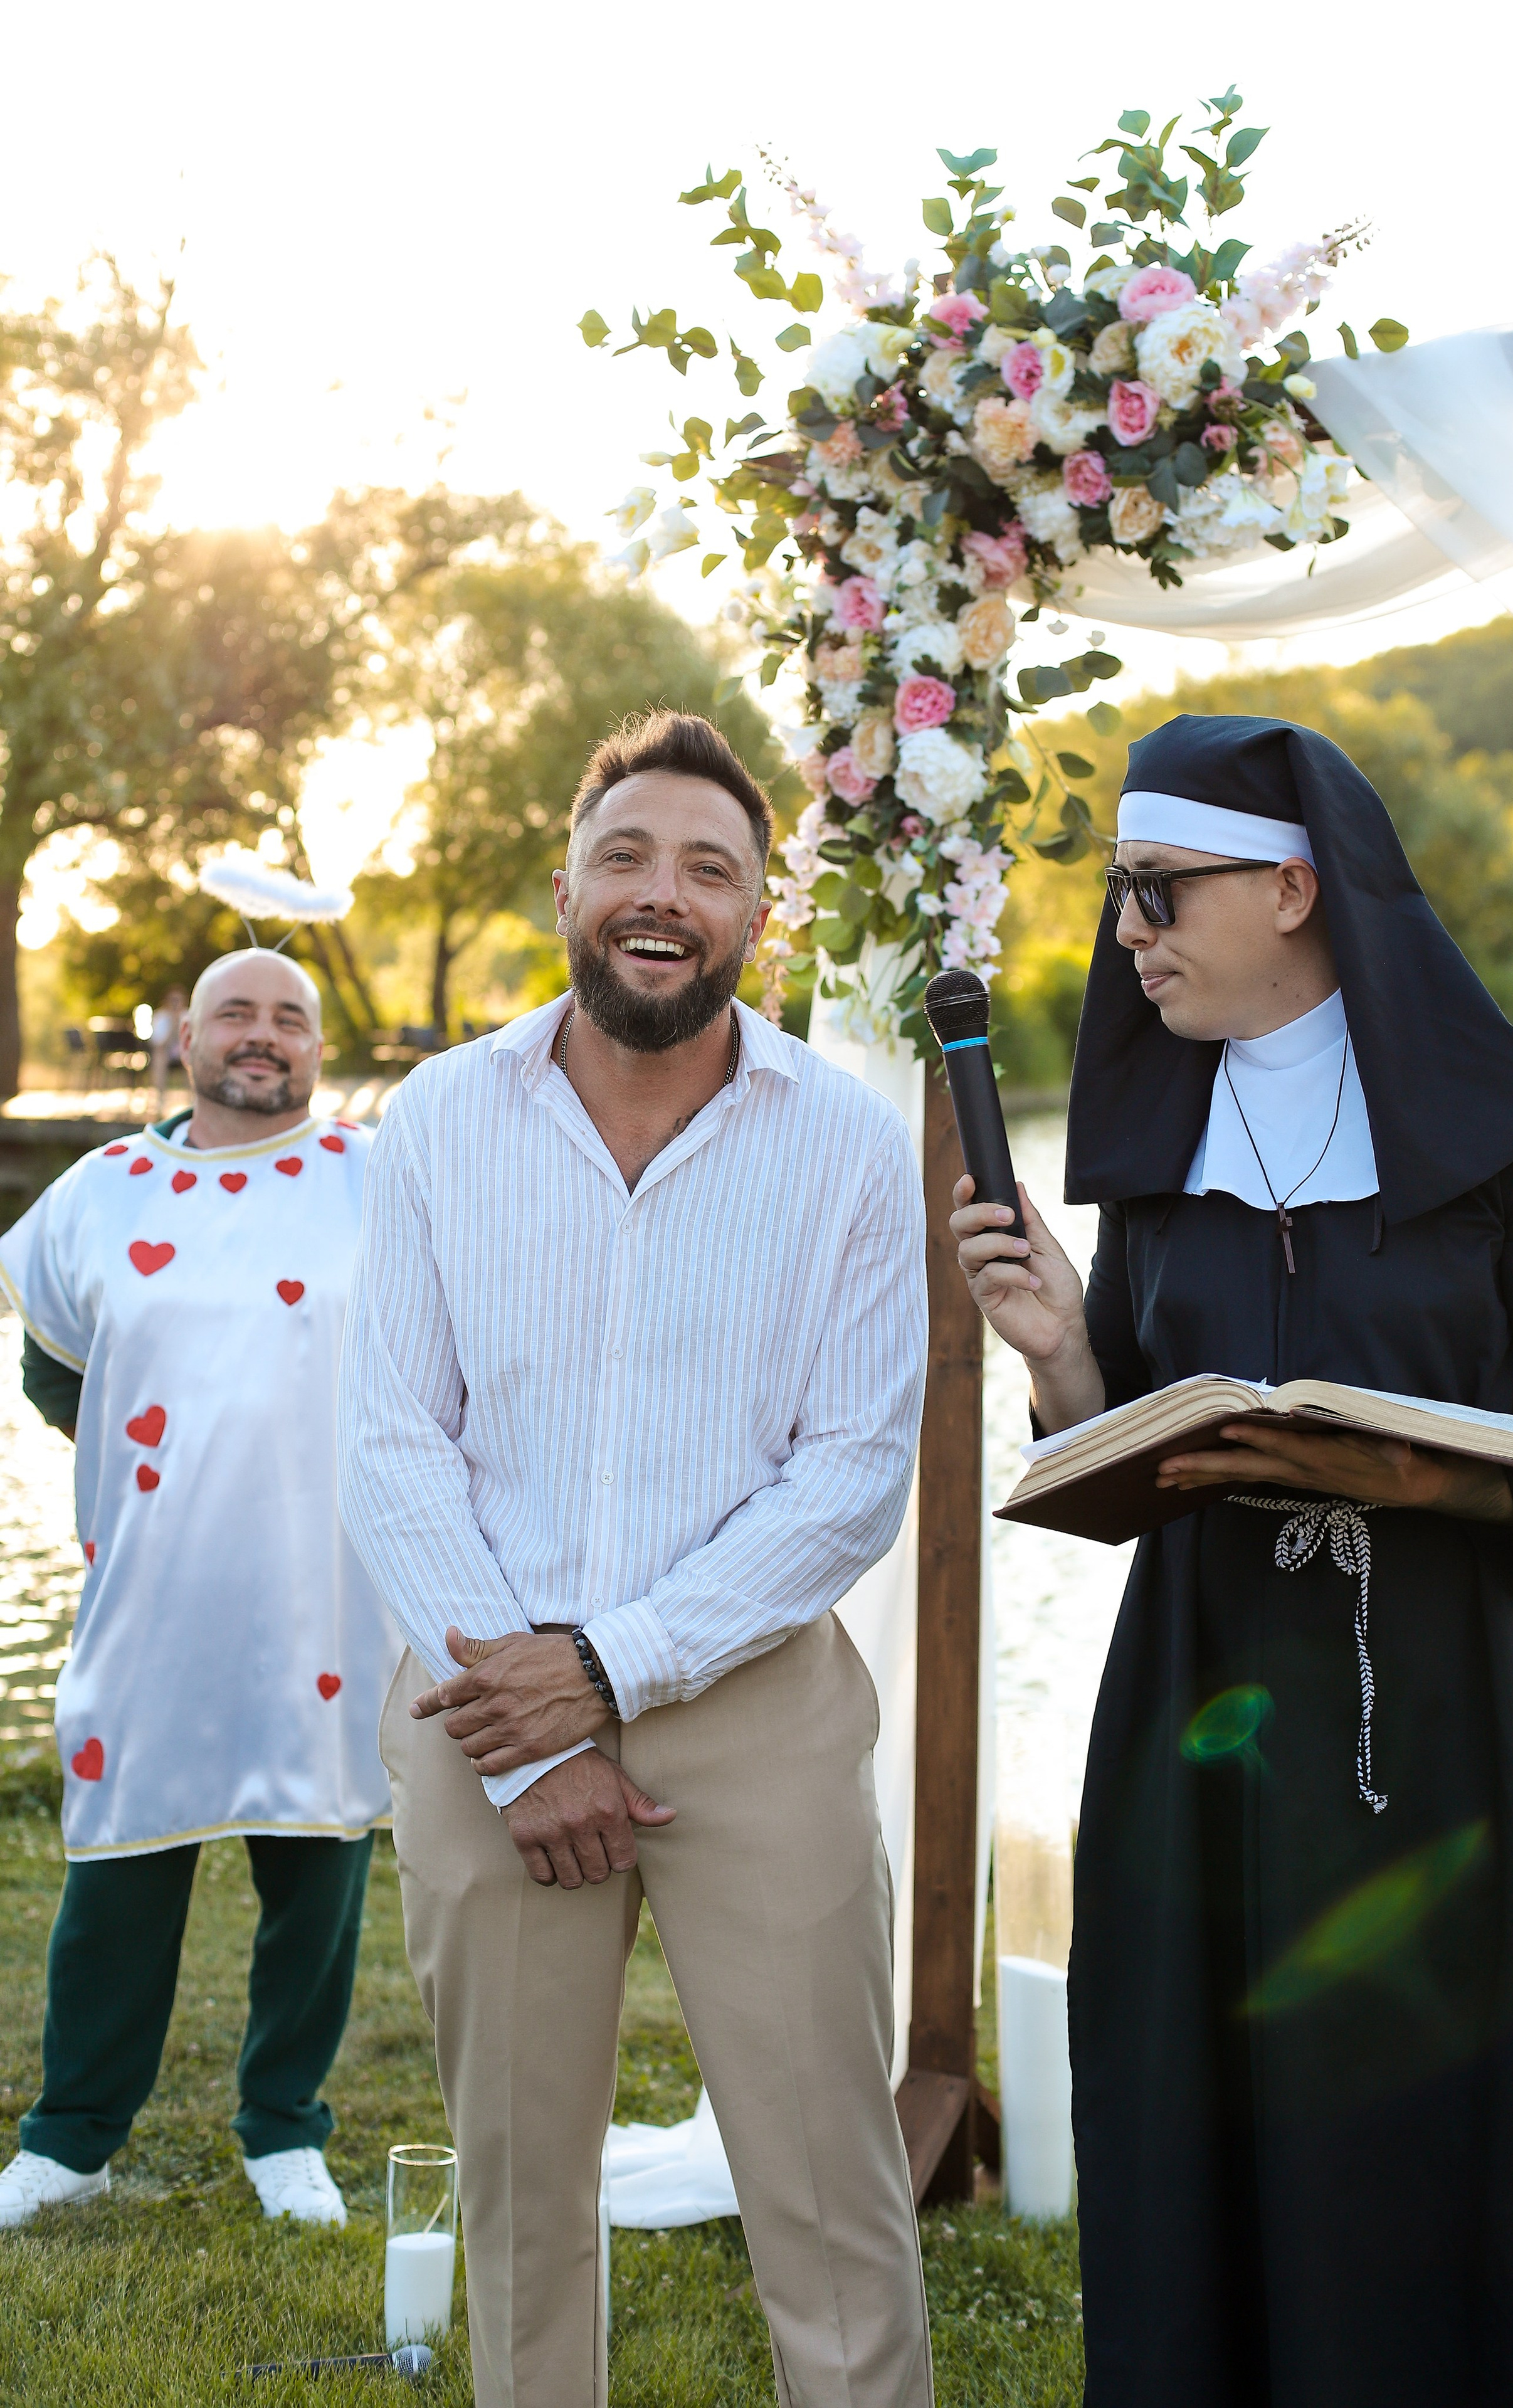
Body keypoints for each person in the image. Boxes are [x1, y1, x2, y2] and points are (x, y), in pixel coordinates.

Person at [951, 714, 1513, 2408]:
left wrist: (1413, 1474)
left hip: (1445, 1724)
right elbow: (1132, 1447)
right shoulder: (1160, 1139)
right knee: (1200, 2108)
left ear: (1295, 888)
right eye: (1118, 894)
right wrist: (1062, 1357)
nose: (1127, 933)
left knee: (1448, 2110)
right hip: (1203, 1714)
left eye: (1159, 891)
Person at [339, 710, 931, 2408]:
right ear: (565, 890)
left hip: (756, 1711)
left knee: (827, 2187)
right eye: (626, 856)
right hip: (481, 1712)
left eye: (708, 868)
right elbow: (391, 1441)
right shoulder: (439, 1117)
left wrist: (605, 1672)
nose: (662, 893)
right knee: (520, 2190)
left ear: (757, 914)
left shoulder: (845, 1143)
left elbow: (850, 1476)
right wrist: (527, 1737)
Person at [0, 949, 398, 2231]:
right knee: (121, 1850)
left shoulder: (379, 1179)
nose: (263, 1034)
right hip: (153, 1581)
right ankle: (71, 2138)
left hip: (326, 1585)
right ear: (188, 1036)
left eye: (290, 1017)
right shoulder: (100, 1192)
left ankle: (285, 2127)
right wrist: (155, 1461)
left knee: (317, 1863)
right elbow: (53, 1365)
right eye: (237, 1012)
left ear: (317, 1047)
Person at [148, 983, 187, 1113]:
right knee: (159, 1057)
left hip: (185, 1053)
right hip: (166, 1053)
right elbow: (159, 1043)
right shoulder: (160, 1017)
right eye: (173, 1000)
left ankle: (192, 1100)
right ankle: (160, 1100)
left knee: (192, 1058)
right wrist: (172, 1024)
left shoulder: (188, 1016)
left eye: (178, 1000)